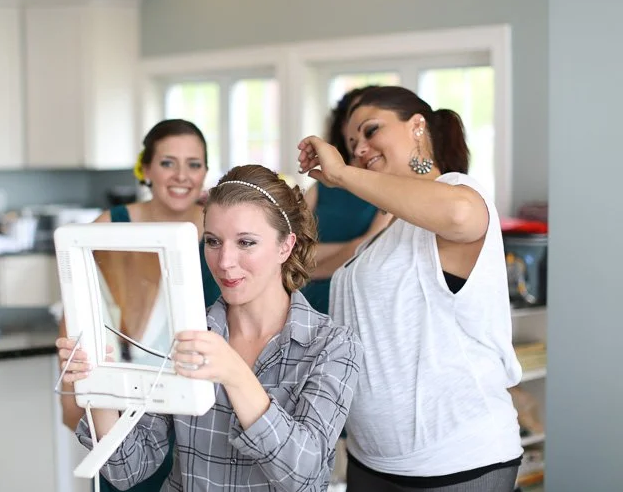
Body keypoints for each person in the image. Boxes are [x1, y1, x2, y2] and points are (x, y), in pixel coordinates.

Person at [56, 165, 361, 491]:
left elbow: (305, 475)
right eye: (213, 241)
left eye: (246, 242)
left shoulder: (333, 345)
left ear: (285, 246)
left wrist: (236, 374)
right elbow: (129, 469)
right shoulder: (182, 333)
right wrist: (98, 382)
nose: (225, 261)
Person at [297, 86, 523, 491]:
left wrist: (343, 175)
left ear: (417, 126)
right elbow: (315, 269)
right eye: (351, 144)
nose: (360, 148)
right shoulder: (386, 229)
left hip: (457, 458)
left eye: (371, 131)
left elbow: (457, 213)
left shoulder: (457, 193)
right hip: (371, 457)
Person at [57, 118, 221, 491]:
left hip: (203, 413)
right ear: (145, 169)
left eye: (194, 164)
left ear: (206, 172)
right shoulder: (107, 226)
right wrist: (75, 398)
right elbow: (77, 315)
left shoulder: (218, 230)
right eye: (168, 162)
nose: (182, 175)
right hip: (127, 410)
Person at [301, 86, 393, 314]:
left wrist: (307, 271)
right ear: (343, 126)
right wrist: (352, 249)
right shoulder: (320, 186)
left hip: (356, 300)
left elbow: (372, 247)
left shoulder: (389, 187)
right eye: (353, 118)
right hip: (307, 301)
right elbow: (291, 248)